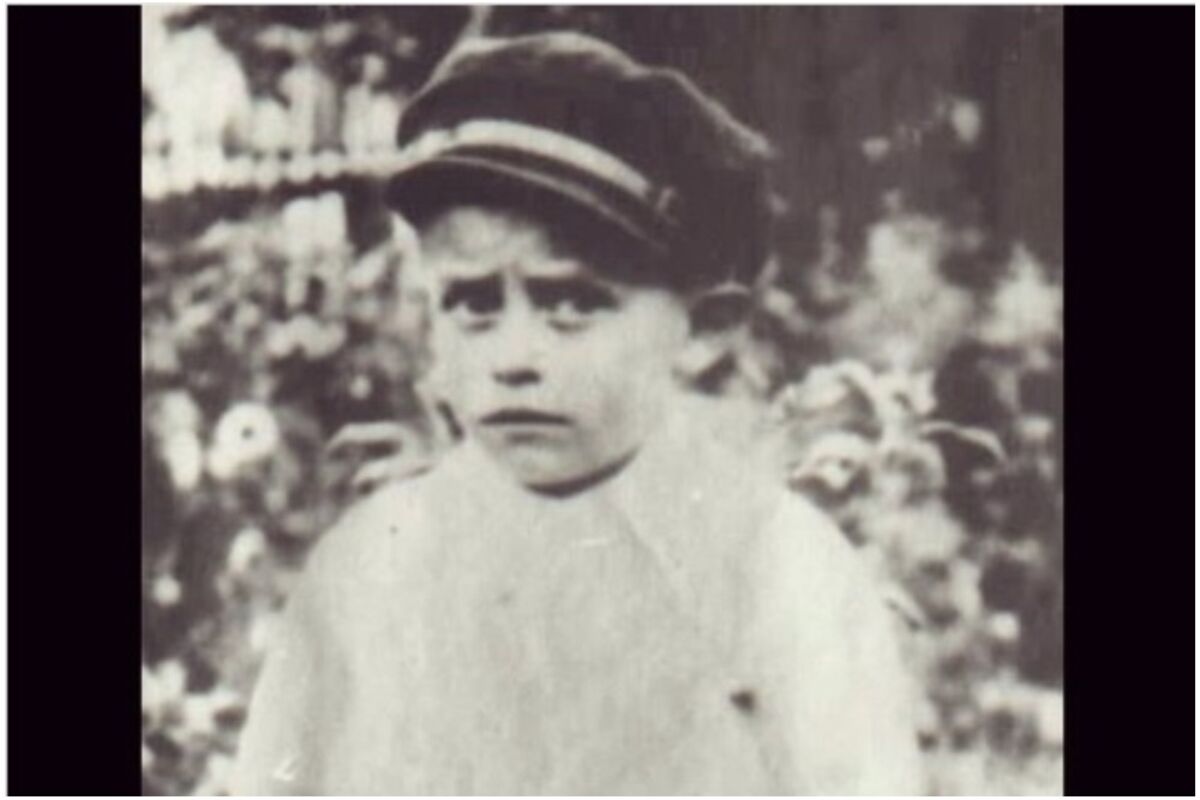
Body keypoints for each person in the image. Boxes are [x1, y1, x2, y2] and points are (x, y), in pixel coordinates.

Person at [232, 31, 922, 795]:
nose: (514, 357)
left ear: (704, 330)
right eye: (473, 304)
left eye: (570, 304)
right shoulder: (369, 569)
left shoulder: (784, 575)